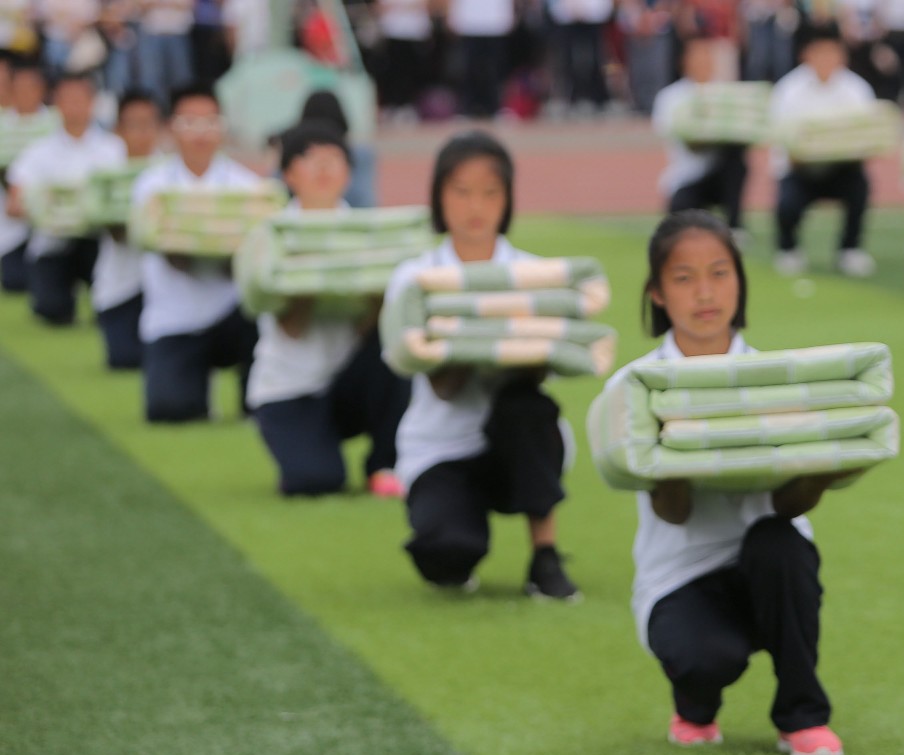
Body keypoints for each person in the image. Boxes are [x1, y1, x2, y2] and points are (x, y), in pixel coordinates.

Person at [614, 209, 844, 755]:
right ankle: (694, 704)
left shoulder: (778, 378)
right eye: (684, 277)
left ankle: (802, 716)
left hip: (769, 563)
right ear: (657, 293)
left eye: (720, 273)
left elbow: (788, 504)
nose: (705, 292)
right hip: (680, 573)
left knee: (779, 543)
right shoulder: (635, 386)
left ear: (740, 282)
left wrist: (822, 466)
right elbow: (672, 511)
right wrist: (678, 448)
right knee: (705, 658)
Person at [383, 131, 581, 600]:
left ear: (508, 199)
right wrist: (484, 340)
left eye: (491, 192)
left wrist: (498, 344)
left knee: (525, 405)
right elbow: (438, 382)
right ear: (439, 196)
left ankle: (545, 555)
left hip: (519, 444)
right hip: (441, 448)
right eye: (462, 191)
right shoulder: (414, 279)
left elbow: (546, 365)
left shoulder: (536, 275)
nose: (476, 206)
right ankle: (452, 538)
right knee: (447, 555)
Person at [249, 124, 408, 498]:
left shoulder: (367, 234)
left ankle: (385, 464)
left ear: (349, 172)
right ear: (288, 174)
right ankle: (303, 451)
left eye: (334, 160)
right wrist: (314, 275)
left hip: (344, 384)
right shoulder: (272, 235)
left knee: (396, 341)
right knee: (317, 482)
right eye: (311, 159)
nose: (323, 168)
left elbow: (371, 325)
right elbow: (291, 327)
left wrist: (374, 294)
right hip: (289, 391)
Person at [129, 83, 262, 422]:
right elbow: (157, 244)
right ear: (171, 127)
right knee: (169, 410)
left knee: (260, 313)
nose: (200, 133)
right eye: (189, 122)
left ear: (222, 127)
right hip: (175, 319)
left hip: (233, 314)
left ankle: (254, 396)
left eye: (210, 122)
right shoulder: (151, 187)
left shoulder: (248, 187)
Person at [5, 70, 123, 327]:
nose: (74, 107)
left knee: (111, 304)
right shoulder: (39, 150)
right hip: (52, 242)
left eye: (80, 99)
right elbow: (15, 200)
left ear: (93, 102)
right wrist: (43, 209)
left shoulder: (114, 148)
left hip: (98, 242)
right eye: (67, 99)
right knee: (52, 311)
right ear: (56, 103)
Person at [769, 22, 879, 277]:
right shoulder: (788, 90)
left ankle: (849, 249)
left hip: (842, 169)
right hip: (801, 170)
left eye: (832, 51)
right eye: (820, 51)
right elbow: (783, 145)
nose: (826, 59)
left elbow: (867, 138)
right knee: (787, 200)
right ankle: (788, 248)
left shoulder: (857, 89)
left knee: (860, 186)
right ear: (805, 54)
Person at [93, 88, 163, 371]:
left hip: (161, 288)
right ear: (119, 130)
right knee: (124, 360)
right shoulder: (105, 172)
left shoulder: (170, 172)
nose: (143, 133)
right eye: (134, 125)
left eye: (149, 124)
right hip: (120, 288)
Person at [652, 34, 750, 233]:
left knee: (736, 160)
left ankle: (735, 225)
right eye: (696, 55)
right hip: (688, 175)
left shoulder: (728, 93)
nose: (703, 61)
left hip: (721, 173)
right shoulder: (670, 97)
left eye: (707, 54)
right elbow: (680, 138)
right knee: (679, 222)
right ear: (683, 60)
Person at [0, 61, 50, 294]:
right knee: (14, 280)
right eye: (18, 88)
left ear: (42, 90)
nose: (25, 94)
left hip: (51, 211)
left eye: (31, 88)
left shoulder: (57, 122)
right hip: (9, 211)